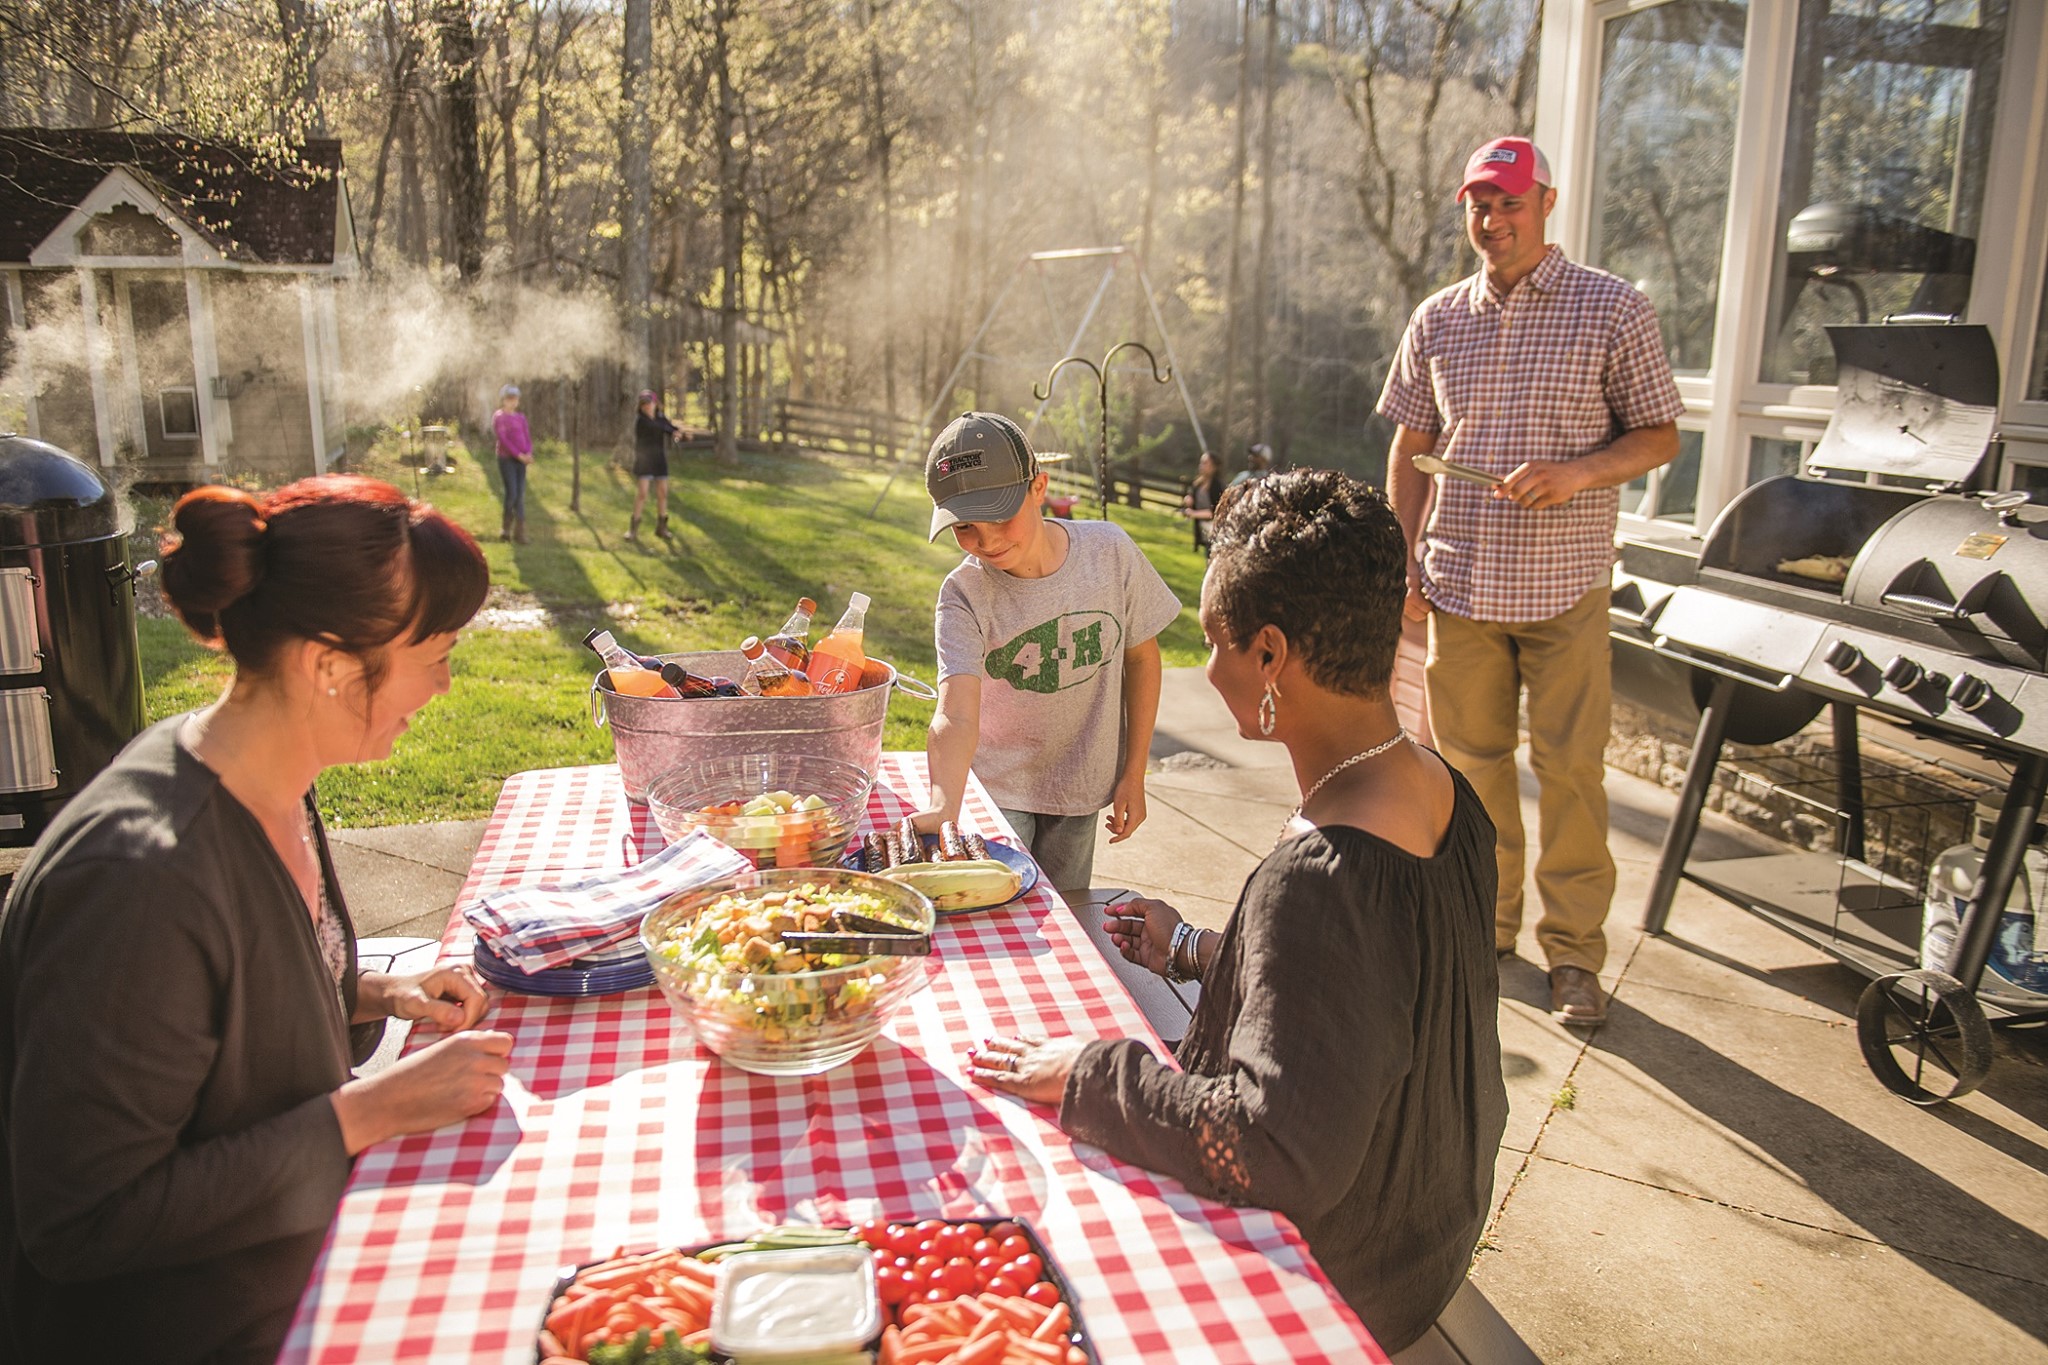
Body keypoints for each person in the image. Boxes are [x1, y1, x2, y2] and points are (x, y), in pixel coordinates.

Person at [966, 470, 1507, 1357]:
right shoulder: (1447, 790)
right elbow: (1362, 996)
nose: (1207, 664)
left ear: (1269, 656)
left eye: (1214, 641)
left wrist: (1090, 1073)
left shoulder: (1324, 876)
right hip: (1427, 1231)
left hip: (1343, 1278)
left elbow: (1269, 1149)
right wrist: (1192, 947)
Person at [0, 476, 512, 1362]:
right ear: (327, 665)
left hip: (296, 1264)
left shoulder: (264, 776)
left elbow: (229, 1006)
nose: (444, 682)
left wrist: (377, 991)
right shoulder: (138, 882)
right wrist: (369, 1111)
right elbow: (83, 1219)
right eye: (434, 653)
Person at [1377, 136, 1683, 1026]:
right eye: (1479, 204)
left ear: (1547, 203)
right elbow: (1412, 446)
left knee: (1572, 772)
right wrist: (1402, 557)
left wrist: (1577, 472)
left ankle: (1575, 954)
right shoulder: (1438, 318)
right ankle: (1486, 925)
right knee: (1469, 773)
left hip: (1564, 588)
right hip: (1461, 585)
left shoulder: (1613, 308)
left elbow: (1660, 434)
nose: (1492, 219)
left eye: (1509, 202)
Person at [916, 411, 1181, 894]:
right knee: (1002, 906)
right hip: (999, 785)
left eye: (1001, 516)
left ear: (1038, 487)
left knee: (1068, 908)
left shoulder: (1111, 553)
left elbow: (1142, 659)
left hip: (1081, 782)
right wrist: (943, 804)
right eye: (965, 526)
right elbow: (955, 713)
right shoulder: (963, 594)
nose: (986, 541)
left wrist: (1134, 772)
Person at [630, 388, 680, 543]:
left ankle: (661, 528)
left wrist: (678, 432)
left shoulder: (660, 418)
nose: (646, 406)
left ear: (655, 403)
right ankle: (633, 529)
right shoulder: (641, 421)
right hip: (644, 460)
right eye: (643, 403)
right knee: (643, 493)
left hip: (659, 460)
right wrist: (669, 429)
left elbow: (669, 428)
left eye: (649, 402)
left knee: (662, 493)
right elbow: (657, 427)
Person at [492, 382, 533, 543]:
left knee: (520, 495)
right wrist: (519, 455)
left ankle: (520, 532)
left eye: (515, 398)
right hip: (507, 459)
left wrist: (528, 453)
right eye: (509, 398)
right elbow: (504, 440)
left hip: (521, 461)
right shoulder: (499, 417)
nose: (513, 401)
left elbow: (527, 437)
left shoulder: (520, 418)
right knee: (512, 493)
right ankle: (506, 529)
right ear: (503, 400)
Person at [1178, 450, 1224, 556]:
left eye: (1205, 463)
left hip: (1216, 533)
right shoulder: (1198, 484)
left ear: (1213, 467)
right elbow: (1193, 503)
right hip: (1204, 532)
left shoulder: (1217, 487)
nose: (1201, 466)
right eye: (1201, 462)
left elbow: (1215, 513)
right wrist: (1189, 501)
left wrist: (1193, 513)